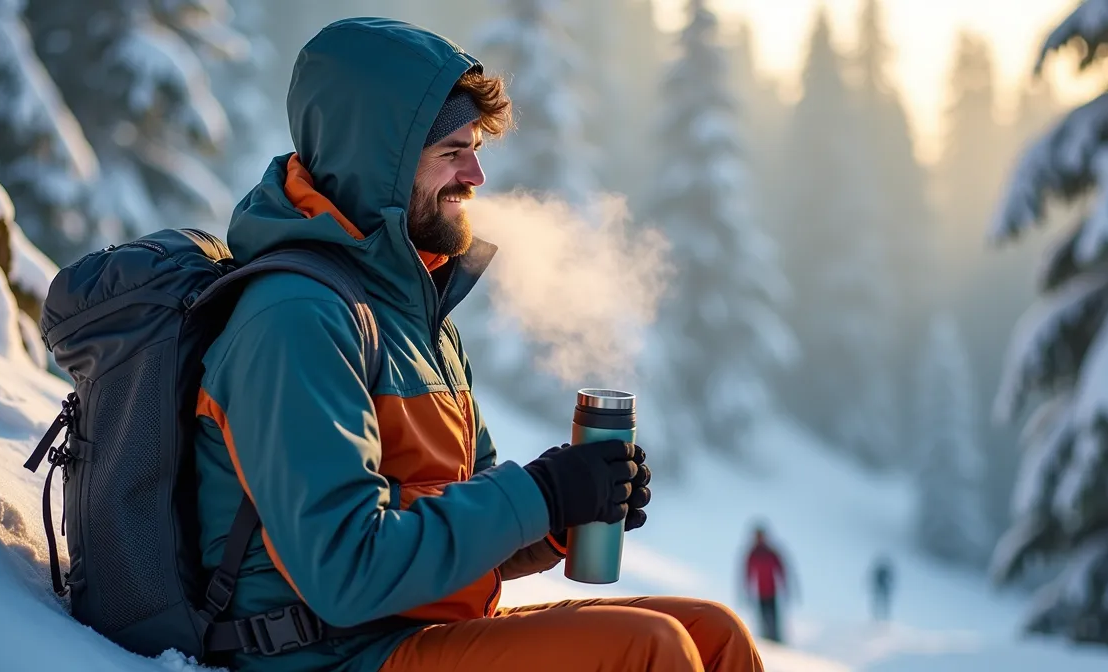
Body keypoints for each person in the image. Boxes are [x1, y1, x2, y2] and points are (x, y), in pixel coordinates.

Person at [191, 16, 763, 672]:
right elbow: (347, 568)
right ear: (378, 164)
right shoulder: (296, 319)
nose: (477, 175)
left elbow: (458, 524)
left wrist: (561, 513)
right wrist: (539, 494)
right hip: (322, 654)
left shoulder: (416, 317)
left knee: (714, 635)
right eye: (452, 152)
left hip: (413, 631)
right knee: (648, 650)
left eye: (476, 148)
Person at [742, 523, 790, 643]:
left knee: (774, 618)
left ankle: (776, 639)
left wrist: (785, 586)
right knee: (763, 618)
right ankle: (767, 639)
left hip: (772, 591)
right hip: (760, 592)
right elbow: (747, 573)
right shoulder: (753, 553)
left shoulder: (771, 552)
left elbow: (781, 569)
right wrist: (746, 590)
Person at [870, 555, 894, 622]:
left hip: (881, 587)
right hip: (882, 587)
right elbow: (890, 580)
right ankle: (880, 618)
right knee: (882, 603)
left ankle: (879, 618)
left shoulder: (881, 571)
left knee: (880, 603)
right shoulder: (883, 571)